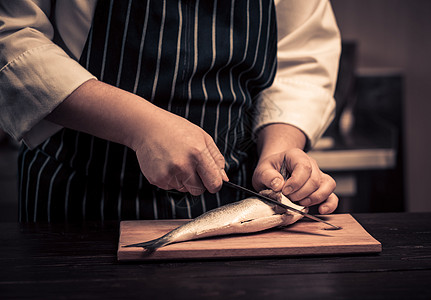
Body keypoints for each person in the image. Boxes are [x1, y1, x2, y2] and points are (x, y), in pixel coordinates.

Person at [0, 0, 341, 222]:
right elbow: (12, 35)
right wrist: (139, 125)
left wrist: (280, 149)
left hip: (236, 194)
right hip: (79, 199)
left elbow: (301, 55)